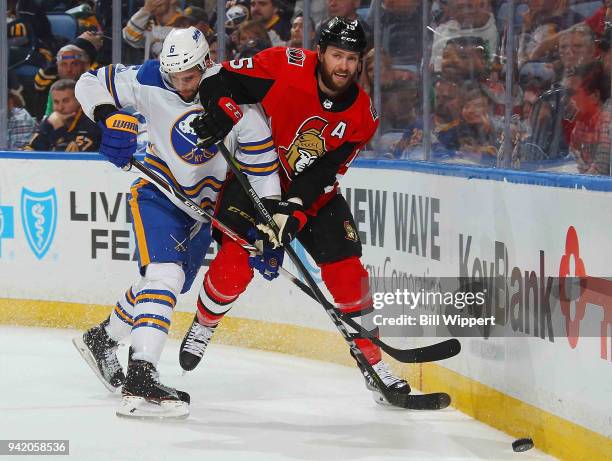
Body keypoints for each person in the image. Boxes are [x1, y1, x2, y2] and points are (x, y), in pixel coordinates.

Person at [179, 17, 412, 405]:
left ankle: (372, 361)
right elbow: (221, 78)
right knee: (235, 263)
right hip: (257, 174)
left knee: (348, 274)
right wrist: (220, 114)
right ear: (320, 52)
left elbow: (324, 171)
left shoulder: (363, 116)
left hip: (314, 195)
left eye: (352, 58)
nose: (343, 66)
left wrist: (296, 213)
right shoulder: (284, 66)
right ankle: (205, 323)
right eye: (337, 55)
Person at [71, 26, 280, 419]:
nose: (181, 85)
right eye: (174, 76)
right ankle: (141, 376)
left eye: (189, 76)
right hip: (158, 193)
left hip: (203, 212)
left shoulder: (239, 104)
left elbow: (263, 173)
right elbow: (89, 82)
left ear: (206, 65)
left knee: (162, 285)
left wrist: (272, 229)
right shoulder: (151, 79)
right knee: (164, 276)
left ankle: (101, 339)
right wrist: (107, 115)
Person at [23, 79, 100, 152]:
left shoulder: (92, 122)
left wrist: (59, 128)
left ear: (79, 100)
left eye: (66, 101)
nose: (60, 107)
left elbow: (70, 159)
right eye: (56, 102)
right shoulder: (51, 121)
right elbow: (29, 150)